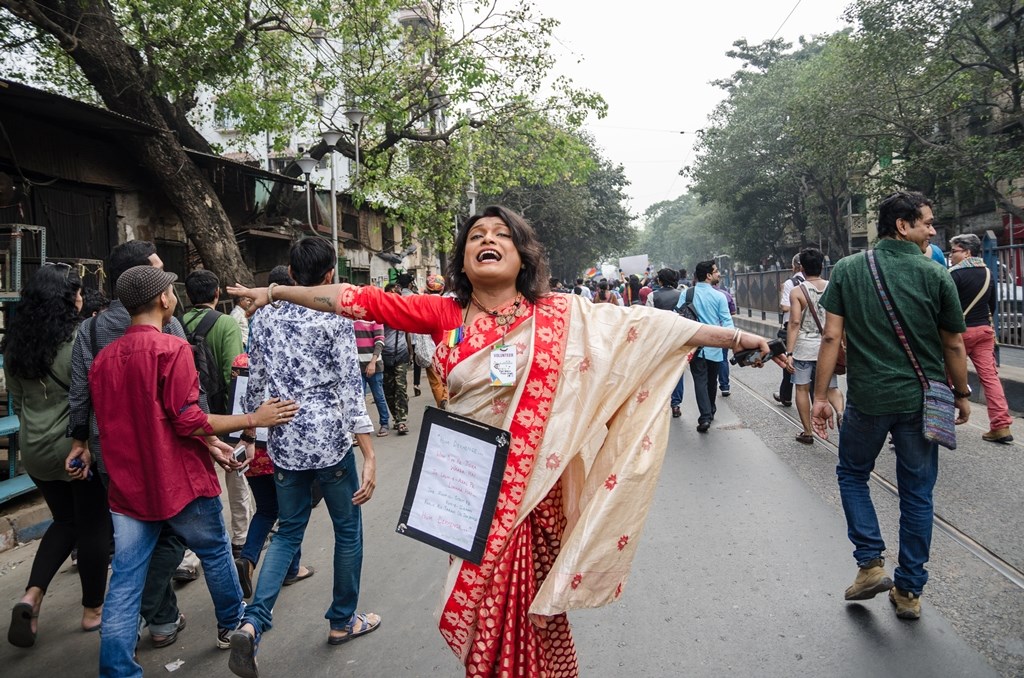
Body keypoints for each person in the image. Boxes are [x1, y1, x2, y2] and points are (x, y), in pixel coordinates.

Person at [229, 205, 778, 677]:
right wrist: (275, 290)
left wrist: (738, 337)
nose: (487, 241)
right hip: (467, 490)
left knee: (525, 602)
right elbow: (354, 299)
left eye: (501, 235)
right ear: (463, 260)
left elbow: (645, 328)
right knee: (484, 612)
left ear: (523, 257)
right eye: (475, 237)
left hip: (533, 492)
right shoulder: (444, 313)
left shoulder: (559, 314)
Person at [88, 265, 297, 677]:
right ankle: (232, 627)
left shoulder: (104, 359)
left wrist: (211, 441)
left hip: (129, 487)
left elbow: (154, 419)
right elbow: (185, 418)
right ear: (164, 299)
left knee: (126, 578)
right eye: (171, 290)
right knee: (217, 553)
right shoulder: (172, 349)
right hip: (178, 479)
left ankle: (116, 669)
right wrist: (252, 418)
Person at [811, 191, 970, 621]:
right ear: (902, 225)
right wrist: (961, 392)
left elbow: (830, 338)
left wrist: (821, 396)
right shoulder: (936, 274)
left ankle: (869, 564)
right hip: (922, 401)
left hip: (869, 400)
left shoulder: (847, 270)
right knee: (918, 495)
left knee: (852, 473)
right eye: (927, 222)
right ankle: (909, 592)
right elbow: (953, 342)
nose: (934, 230)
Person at [228, 238, 378, 678]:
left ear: (291, 276)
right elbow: (352, 390)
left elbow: (255, 382)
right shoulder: (336, 319)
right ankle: (342, 620)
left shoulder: (266, 318)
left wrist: (251, 431)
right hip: (331, 443)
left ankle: (252, 625)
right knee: (347, 530)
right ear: (330, 277)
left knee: (288, 531)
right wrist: (368, 453)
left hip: (285, 439)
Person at [67, 240, 196, 648]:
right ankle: (141, 603)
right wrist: (209, 438)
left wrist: (80, 441)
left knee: (138, 535)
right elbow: (190, 394)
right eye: (158, 271)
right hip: (164, 450)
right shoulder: (167, 323)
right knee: (174, 532)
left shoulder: (90, 329)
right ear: (144, 283)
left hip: (113, 452)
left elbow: (80, 393)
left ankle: (163, 621)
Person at [5, 264, 110, 648]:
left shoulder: (15, 347)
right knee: (94, 524)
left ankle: (31, 596)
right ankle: (92, 611)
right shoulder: (80, 339)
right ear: (66, 299)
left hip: (35, 450)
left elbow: (18, 397)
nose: (82, 298)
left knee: (64, 521)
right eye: (77, 292)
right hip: (75, 450)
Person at [230, 353, 315, 600]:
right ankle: (292, 568)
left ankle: (247, 560)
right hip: (281, 450)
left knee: (266, 509)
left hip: (250, 449)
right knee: (293, 512)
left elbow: (237, 402)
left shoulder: (240, 362)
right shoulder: (285, 355)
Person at [183, 269, 252, 558]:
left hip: (187, 411)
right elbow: (235, 373)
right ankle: (241, 538)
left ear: (188, 296)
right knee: (236, 474)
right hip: (222, 412)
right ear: (216, 295)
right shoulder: (225, 323)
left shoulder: (176, 322)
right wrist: (243, 423)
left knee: (191, 482)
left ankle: (188, 554)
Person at [948, 234, 1013, 443]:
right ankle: (1001, 425)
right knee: (990, 378)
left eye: (954, 251)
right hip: (984, 332)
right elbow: (991, 305)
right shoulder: (987, 272)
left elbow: (945, 308)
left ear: (967, 252)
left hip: (960, 334)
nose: (951, 256)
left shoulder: (953, 276)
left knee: (946, 376)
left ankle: (941, 422)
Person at [783, 248, 845, 444]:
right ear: (822, 266)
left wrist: (789, 352)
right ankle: (842, 413)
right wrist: (843, 343)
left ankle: (808, 432)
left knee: (801, 388)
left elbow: (794, 323)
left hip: (804, 347)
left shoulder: (797, 291)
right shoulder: (832, 287)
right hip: (828, 347)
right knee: (831, 387)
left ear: (801, 268)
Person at [682, 260, 734, 433]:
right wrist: (731, 341)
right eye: (716, 271)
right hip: (715, 346)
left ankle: (705, 416)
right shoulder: (720, 296)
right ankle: (709, 411)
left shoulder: (687, 294)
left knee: (700, 381)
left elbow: (679, 317)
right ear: (709, 275)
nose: (718, 274)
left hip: (695, 346)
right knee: (712, 381)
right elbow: (727, 322)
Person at [647, 267, 686, 418]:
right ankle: (675, 404)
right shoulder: (681, 294)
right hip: (678, 337)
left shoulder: (652, 296)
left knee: (660, 371)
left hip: (660, 339)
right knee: (677, 371)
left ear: (660, 280)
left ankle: (660, 403)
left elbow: (649, 319)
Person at [774, 254, 805, 408]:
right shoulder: (817, 283)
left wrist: (797, 305)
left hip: (792, 326)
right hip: (810, 329)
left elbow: (784, 306)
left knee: (789, 360)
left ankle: (786, 396)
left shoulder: (789, 283)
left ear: (794, 266)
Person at [382, 283, 412, 435]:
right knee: (389, 389)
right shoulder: (380, 311)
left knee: (401, 387)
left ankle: (401, 420)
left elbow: (407, 333)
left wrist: (410, 352)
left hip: (401, 353)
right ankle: (396, 417)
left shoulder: (402, 311)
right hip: (384, 355)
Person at [354, 315, 390, 436]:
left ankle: (384, 423)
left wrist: (373, 362)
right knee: (360, 399)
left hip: (374, 365)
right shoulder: (351, 321)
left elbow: (380, 341)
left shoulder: (375, 319)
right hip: (357, 366)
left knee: (379, 396)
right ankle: (362, 428)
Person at [713, 278, 738, 397]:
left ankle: (710, 385)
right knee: (723, 359)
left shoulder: (700, 295)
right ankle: (725, 386)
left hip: (708, 333)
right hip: (724, 331)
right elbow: (733, 312)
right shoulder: (726, 295)